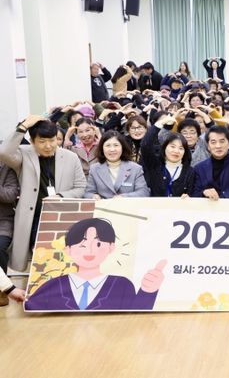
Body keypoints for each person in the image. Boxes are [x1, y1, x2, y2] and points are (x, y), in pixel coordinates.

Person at [0, 116, 86, 272]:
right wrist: (23, 126)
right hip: (35, 218)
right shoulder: (23, 154)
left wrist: (61, 196)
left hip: (64, 217)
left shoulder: (71, 157)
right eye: (42, 141)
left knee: (67, 257)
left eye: (52, 140)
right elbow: (4, 152)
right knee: (42, 256)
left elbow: (80, 187)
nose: (48, 146)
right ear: (32, 141)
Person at [25, 218, 166, 311]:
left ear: (111, 247)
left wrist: (148, 291)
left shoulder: (122, 285)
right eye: (82, 244)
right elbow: (31, 307)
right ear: (68, 250)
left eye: (98, 244)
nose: (90, 250)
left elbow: (135, 317)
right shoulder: (53, 285)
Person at [84, 131, 150, 199]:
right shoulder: (94, 169)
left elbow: (143, 192)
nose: (112, 149)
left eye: (116, 145)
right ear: (102, 148)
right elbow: (88, 193)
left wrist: (124, 197)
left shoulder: (135, 168)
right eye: (108, 145)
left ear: (122, 147)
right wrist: (93, 196)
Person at [141, 115, 195, 198]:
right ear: (165, 148)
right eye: (172, 146)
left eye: (181, 148)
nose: (176, 151)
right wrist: (160, 123)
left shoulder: (189, 171)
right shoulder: (155, 165)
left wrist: (189, 197)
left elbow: (192, 193)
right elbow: (145, 145)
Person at [0, 162, 19, 306]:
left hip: (3, 221)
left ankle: (2, 291)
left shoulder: (7, 168)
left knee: (0, 247)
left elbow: (10, 196)